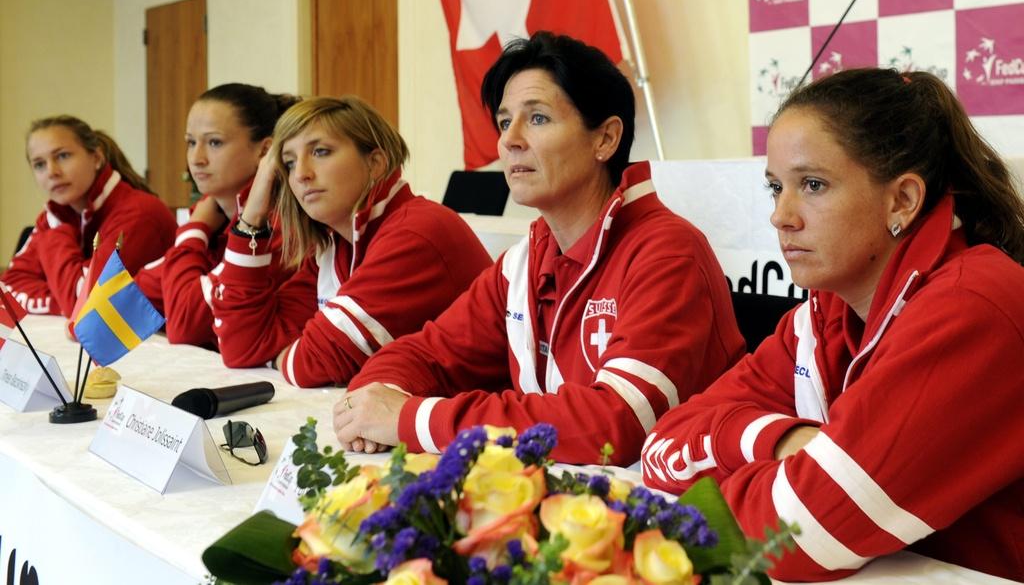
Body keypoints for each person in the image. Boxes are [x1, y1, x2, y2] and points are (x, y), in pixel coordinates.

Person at [641, 69, 1024, 582]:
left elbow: (801, 532)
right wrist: (779, 442)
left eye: (813, 185)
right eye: (777, 187)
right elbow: (660, 448)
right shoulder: (823, 315)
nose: (781, 215)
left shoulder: (971, 306)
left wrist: (740, 486)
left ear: (902, 202)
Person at [334, 32, 744, 465]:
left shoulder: (667, 253)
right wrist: (377, 402)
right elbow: (424, 353)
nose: (510, 139)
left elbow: (616, 424)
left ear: (605, 139)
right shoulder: (524, 261)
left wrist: (411, 418)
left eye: (538, 119)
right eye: (505, 121)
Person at [211, 95, 492, 387]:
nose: (302, 174)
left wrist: (280, 356)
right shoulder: (337, 245)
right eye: (288, 163)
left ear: (376, 163)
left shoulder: (415, 233)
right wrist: (252, 217)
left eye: (320, 151)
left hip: (484, 429)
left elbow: (312, 364)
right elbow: (241, 347)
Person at [135, 83, 298, 348]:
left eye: (214, 142)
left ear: (265, 151)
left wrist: (194, 229)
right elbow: (127, 300)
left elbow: (184, 324)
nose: (196, 159)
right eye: (190, 142)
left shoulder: (274, 224)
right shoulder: (216, 217)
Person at [2, 115, 176, 316]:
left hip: (156, 343)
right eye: (39, 164)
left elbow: (85, 309)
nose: (52, 172)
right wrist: (60, 300)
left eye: (63, 156)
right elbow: (8, 290)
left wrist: (59, 233)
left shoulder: (139, 214)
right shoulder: (57, 214)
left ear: (97, 158)